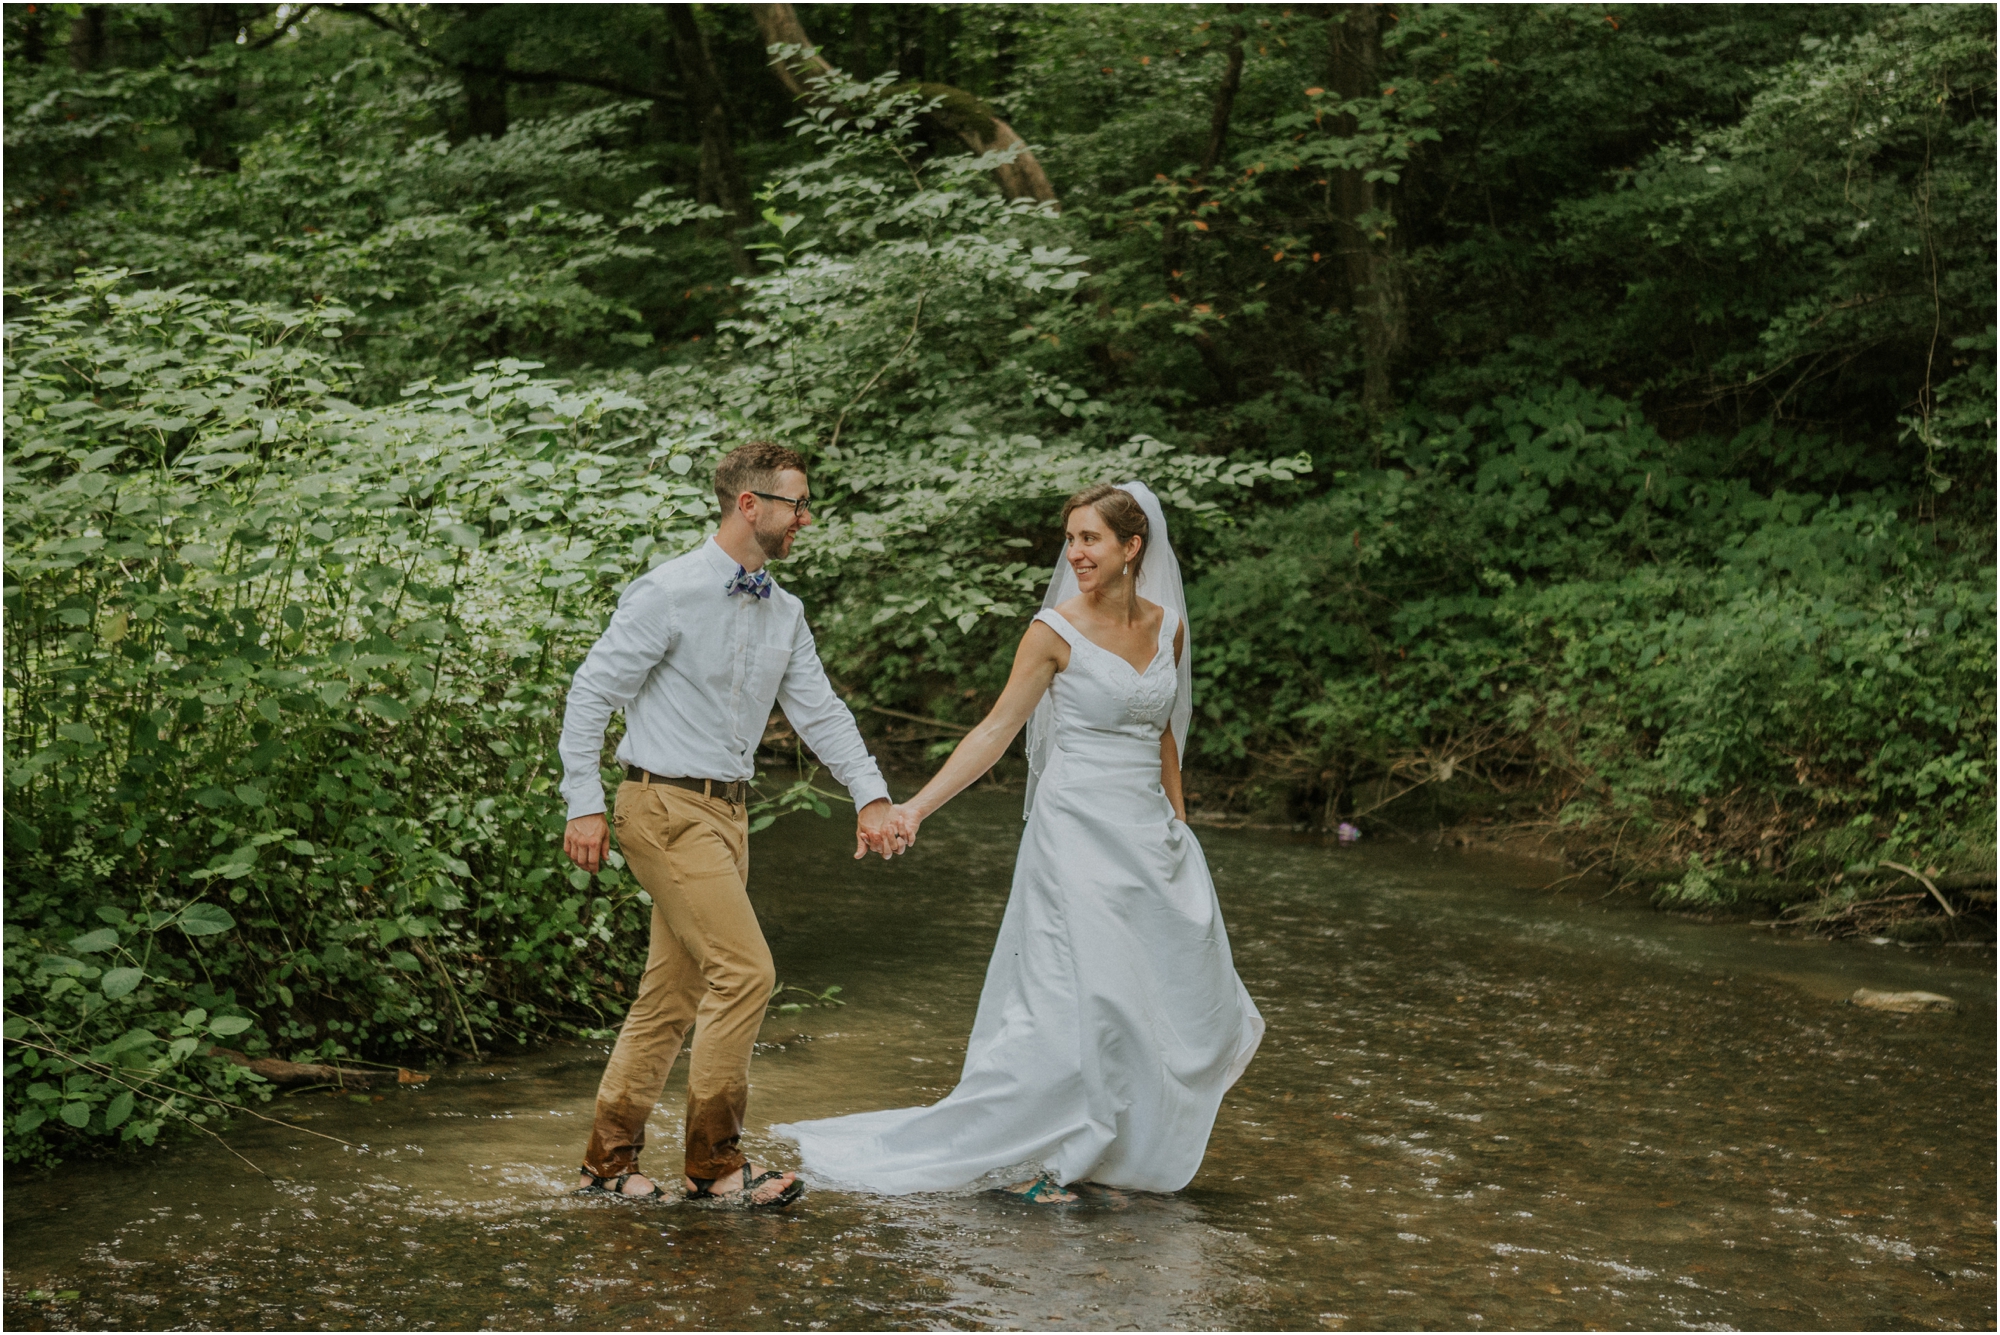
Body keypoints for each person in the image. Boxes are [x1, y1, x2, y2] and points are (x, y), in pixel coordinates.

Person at [774, 482, 1264, 1201]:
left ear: (1133, 548)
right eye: (1070, 539)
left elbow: (1164, 733)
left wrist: (1180, 828)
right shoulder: (1053, 631)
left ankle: (1110, 1145)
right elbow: (996, 732)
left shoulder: (1169, 627)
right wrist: (913, 807)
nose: (1075, 553)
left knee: (1159, 995)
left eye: (1090, 539)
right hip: (1074, 831)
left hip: (1148, 833)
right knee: (1085, 996)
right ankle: (1053, 1158)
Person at [558, 441, 906, 1209]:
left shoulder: (784, 610)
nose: (805, 517)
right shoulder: (668, 591)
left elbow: (821, 711)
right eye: (795, 503)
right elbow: (590, 694)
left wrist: (871, 794)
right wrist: (582, 800)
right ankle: (714, 1166)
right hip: (661, 806)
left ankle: (607, 1166)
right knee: (746, 972)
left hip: (728, 814)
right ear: (750, 505)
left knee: (670, 996)